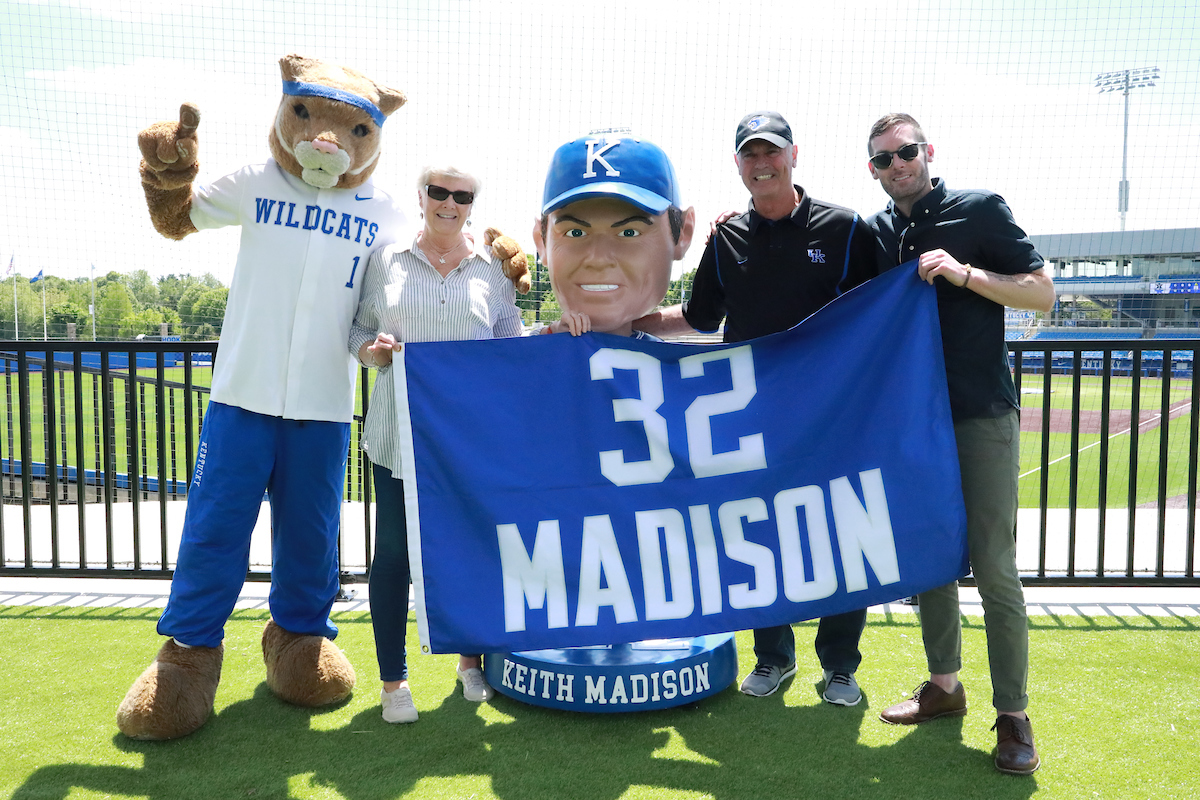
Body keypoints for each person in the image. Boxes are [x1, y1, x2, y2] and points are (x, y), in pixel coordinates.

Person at [633, 111, 877, 705]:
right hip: (752, 417)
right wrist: (622, 327)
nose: (761, 162)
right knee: (758, 535)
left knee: (838, 532)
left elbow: (882, 312)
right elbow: (697, 320)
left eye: (771, 151)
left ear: (795, 154)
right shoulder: (725, 236)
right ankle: (774, 658)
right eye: (749, 154)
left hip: (831, 416)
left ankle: (840, 666)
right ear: (737, 164)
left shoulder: (846, 228)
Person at [865, 112, 1054, 775]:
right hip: (915, 426)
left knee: (994, 569)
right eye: (884, 159)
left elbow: (1043, 295)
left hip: (979, 416)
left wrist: (964, 273)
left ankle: (1014, 716)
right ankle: (944, 687)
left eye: (906, 152)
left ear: (927, 150)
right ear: (874, 171)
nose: (898, 165)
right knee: (931, 562)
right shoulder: (879, 231)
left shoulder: (978, 209)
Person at [349, 165, 524, 724]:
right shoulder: (386, 259)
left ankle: (469, 662)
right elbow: (356, 330)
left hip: (465, 442)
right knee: (395, 557)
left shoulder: (491, 270)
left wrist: (552, 337)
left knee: (468, 551)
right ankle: (393, 681)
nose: (449, 203)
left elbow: (508, 346)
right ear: (420, 195)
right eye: (439, 192)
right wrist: (371, 353)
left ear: (473, 203)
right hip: (397, 435)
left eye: (462, 195)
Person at [532, 134, 696, 338]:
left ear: (682, 234)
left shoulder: (676, 368)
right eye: (576, 233)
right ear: (541, 241)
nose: (599, 258)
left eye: (629, 232)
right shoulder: (518, 361)